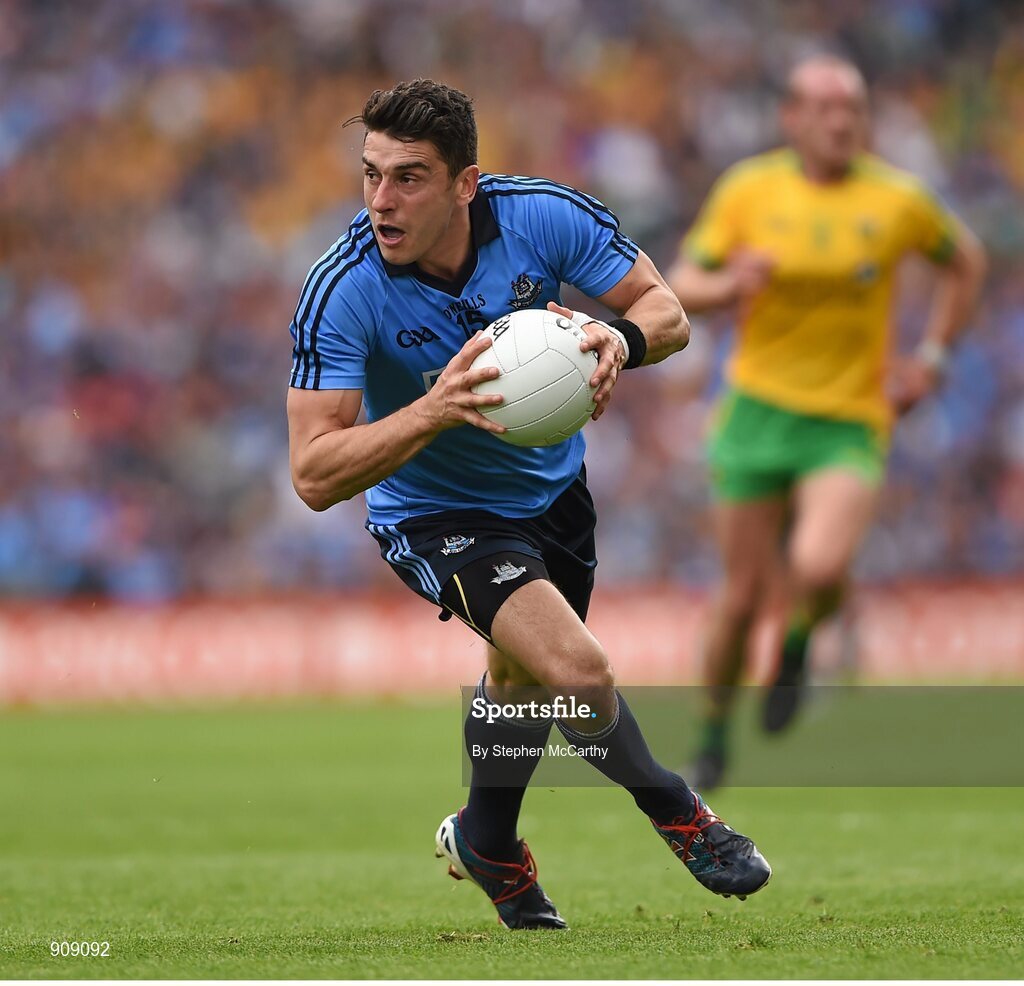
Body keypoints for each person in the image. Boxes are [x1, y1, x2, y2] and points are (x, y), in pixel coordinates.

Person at [286, 79, 771, 929]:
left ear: (465, 184)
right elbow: (315, 473)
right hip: (433, 515)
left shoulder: (545, 218)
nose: (380, 201)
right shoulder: (344, 285)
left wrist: (616, 340)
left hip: (553, 494)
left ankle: (488, 843)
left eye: (408, 178)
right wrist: (435, 409)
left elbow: (668, 312)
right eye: (370, 175)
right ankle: (680, 811)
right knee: (576, 669)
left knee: (521, 685)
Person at [667, 56, 987, 789]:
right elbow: (682, 281)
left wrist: (932, 357)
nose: (841, 119)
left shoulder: (898, 200)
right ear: (792, 119)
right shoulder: (749, 189)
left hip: (848, 417)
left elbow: (964, 262)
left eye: (853, 106)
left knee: (816, 564)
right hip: (755, 411)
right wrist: (728, 283)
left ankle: (800, 646)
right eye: (824, 106)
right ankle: (713, 736)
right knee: (741, 596)